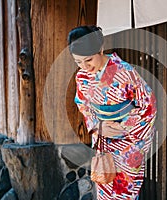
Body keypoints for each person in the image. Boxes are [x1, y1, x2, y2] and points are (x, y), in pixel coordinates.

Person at [68, 25, 157, 200]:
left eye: (88, 60)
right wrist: (97, 126)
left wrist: (122, 128)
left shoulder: (125, 71)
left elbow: (148, 105)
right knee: (104, 186)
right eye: (78, 62)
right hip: (104, 141)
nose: (84, 67)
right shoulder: (82, 77)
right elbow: (82, 104)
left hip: (128, 143)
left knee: (125, 192)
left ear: (100, 49)